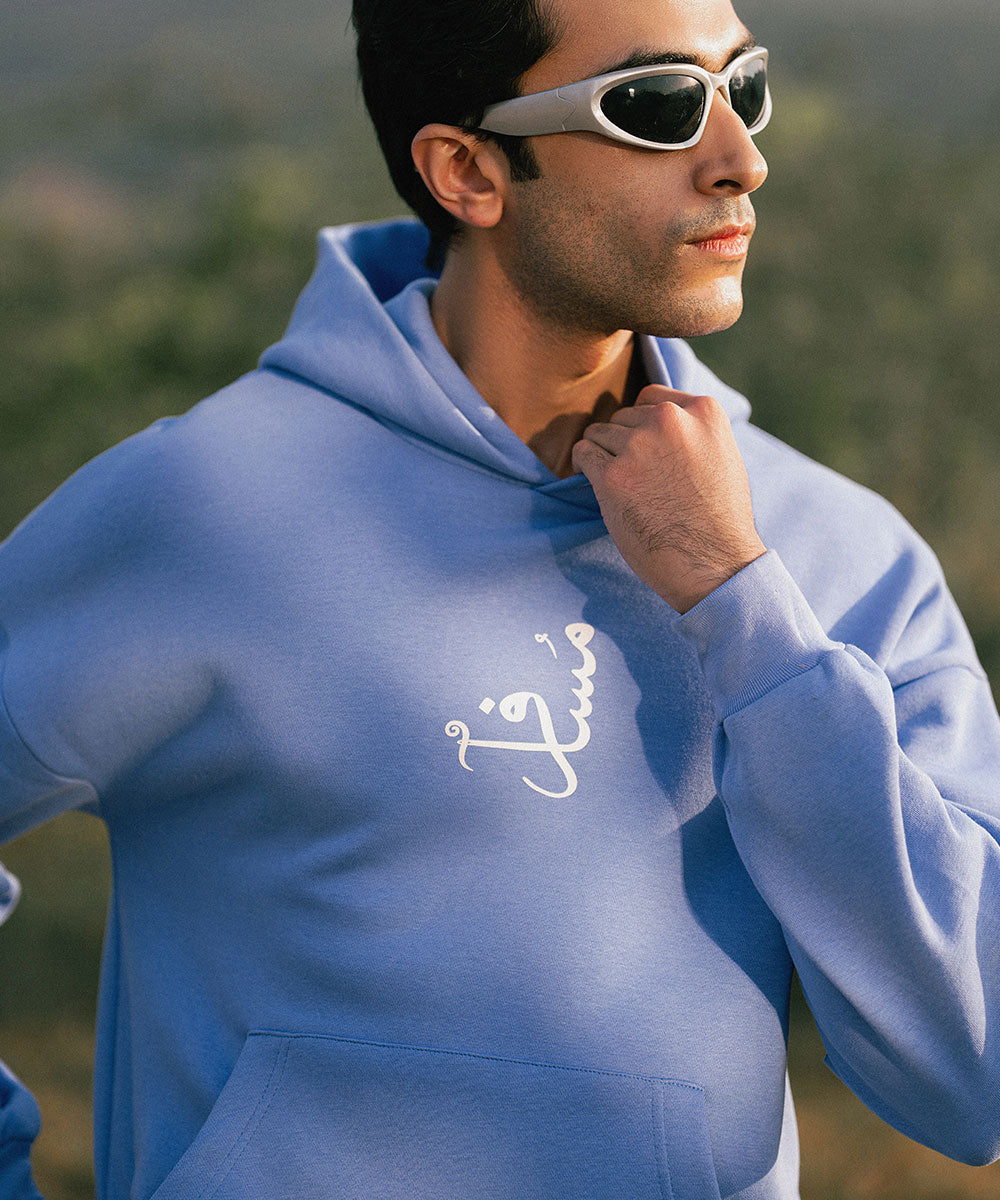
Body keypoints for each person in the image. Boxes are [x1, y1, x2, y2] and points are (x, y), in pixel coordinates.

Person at [2, 0, 999, 1194]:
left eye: (744, 87)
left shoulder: (842, 557)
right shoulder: (204, 508)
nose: (740, 157)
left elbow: (974, 1075)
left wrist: (738, 603)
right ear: (467, 171)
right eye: (657, 106)